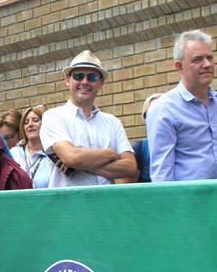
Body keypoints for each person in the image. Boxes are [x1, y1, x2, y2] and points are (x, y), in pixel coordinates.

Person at [40, 50, 137, 187]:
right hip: (69, 206)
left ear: (101, 82)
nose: (84, 82)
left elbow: (130, 167)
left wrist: (79, 164)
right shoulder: (53, 116)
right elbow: (71, 157)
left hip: (105, 205)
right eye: (78, 76)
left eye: (92, 77)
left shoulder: (113, 123)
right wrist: (110, 154)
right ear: (68, 80)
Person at [146, 29, 217, 181]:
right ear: (179, 66)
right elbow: (162, 173)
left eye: (210, 57)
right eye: (198, 60)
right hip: (190, 202)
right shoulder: (164, 109)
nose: (207, 64)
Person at [11, 105, 54, 188]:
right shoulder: (14, 153)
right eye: (26, 122)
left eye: (35, 120)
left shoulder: (53, 153)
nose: (30, 124)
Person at [132, 93, 162, 183]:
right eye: (148, 114)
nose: (153, 117)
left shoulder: (183, 146)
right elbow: (127, 192)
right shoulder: (140, 149)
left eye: (158, 112)